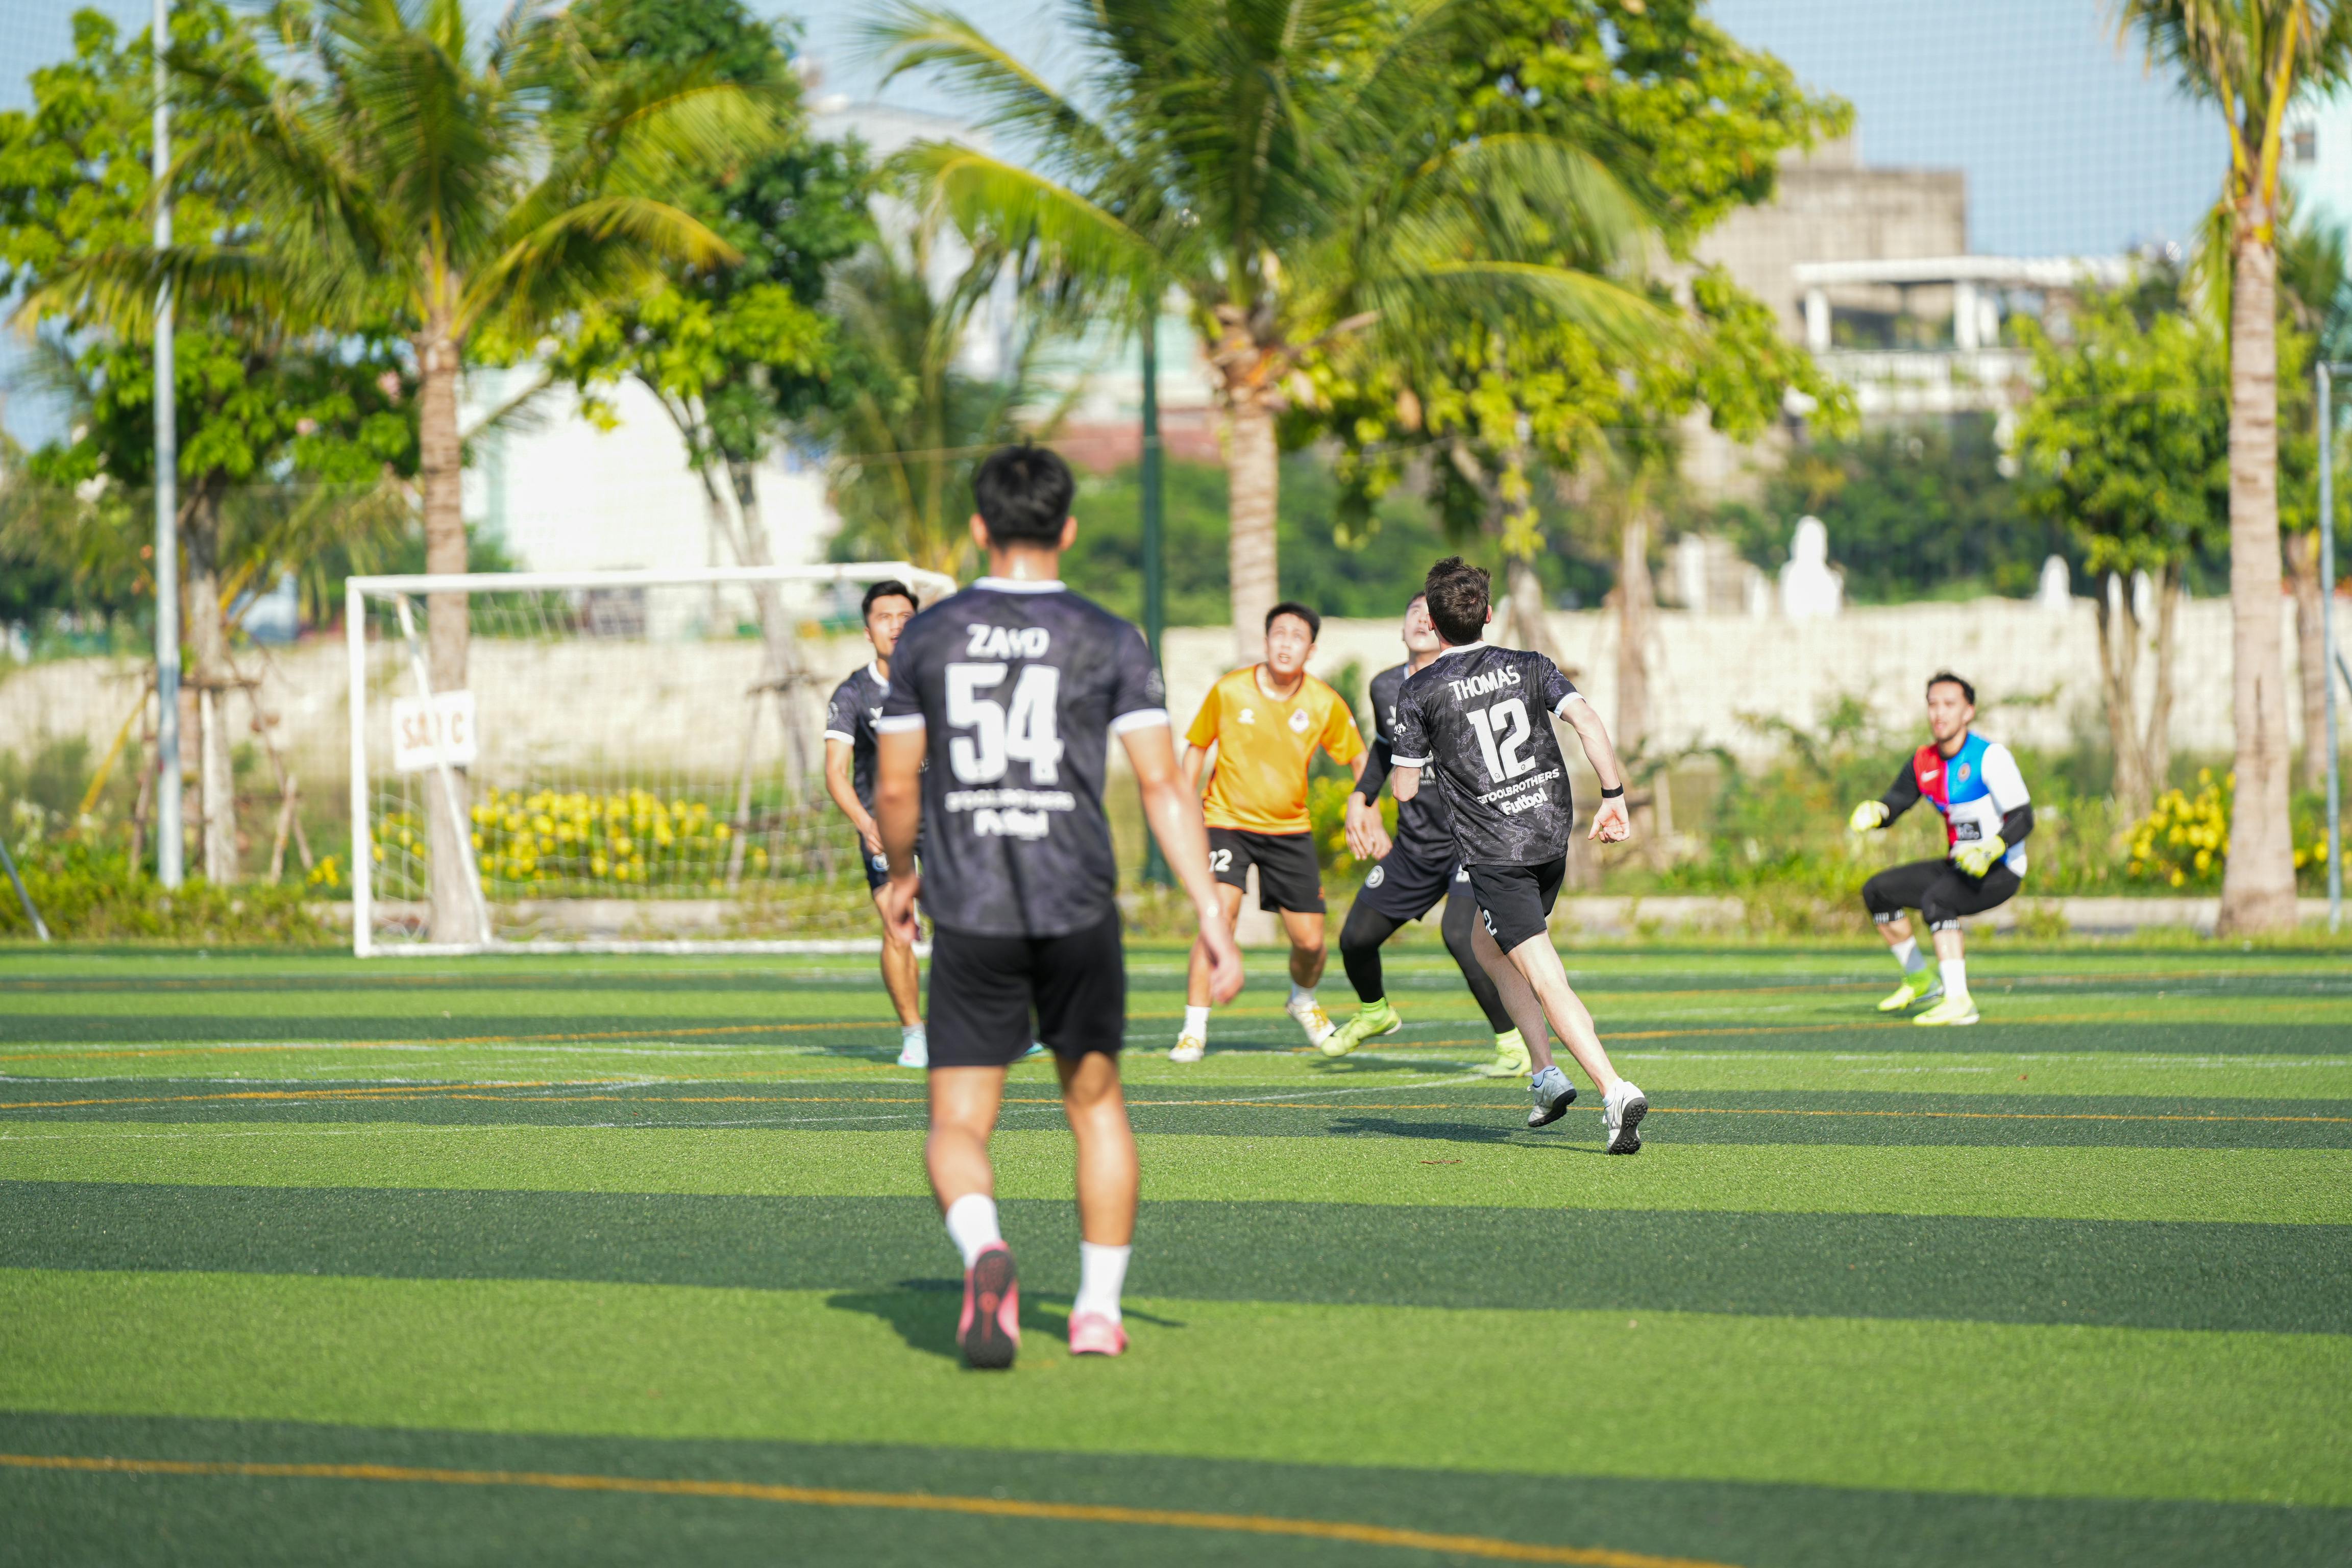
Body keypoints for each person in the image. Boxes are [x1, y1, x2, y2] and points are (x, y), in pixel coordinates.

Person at [874, 444, 1243, 1369]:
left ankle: (985, 1250)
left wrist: (900, 873)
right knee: (1096, 1104)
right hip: (1076, 901)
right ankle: (1093, 1314)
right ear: (1067, 528)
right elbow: (1161, 784)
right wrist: (1207, 905)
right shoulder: (1109, 634)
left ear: (978, 528)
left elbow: (893, 785)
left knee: (957, 1121)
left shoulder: (927, 634)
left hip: (973, 908)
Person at [1390, 557, 1650, 1154]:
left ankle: (1615, 1089)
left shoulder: (1420, 689)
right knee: (1488, 946)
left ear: (1430, 621)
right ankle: (1544, 1074)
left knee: (1545, 976)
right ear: (1488, 614)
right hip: (1550, 840)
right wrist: (1613, 797)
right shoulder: (1530, 664)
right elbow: (1585, 720)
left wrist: (1424, 747)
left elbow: (1404, 789)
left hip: (1497, 856)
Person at [1322, 592, 1527, 1073]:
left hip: (1469, 840)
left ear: (1446, 628)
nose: (1420, 618)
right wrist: (1361, 797)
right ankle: (1375, 1013)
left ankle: (1514, 1045)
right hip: (1414, 846)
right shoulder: (1384, 686)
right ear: (1401, 629)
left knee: (1460, 936)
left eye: (1429, 614)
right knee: (1354, 939)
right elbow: (1382, 748)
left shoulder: (1472, 683)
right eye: (1412, 611)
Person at [1170, 601, 1367, 1062]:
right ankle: (1193, 1029)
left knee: (1311, 942)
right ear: (1265, 641)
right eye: (1279, 634)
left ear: (1311, 649)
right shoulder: (1230, 691)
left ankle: (1302, 998)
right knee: (1220, 917)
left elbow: (1359, 758)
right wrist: (1183, 804)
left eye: (1297, 637)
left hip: (1289, 831)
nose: (1286, 644)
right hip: (1226, 822)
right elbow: (1196, 747)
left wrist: (1364, 808)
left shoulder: (1323, 701)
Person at [1848, 672, 2032, 1027]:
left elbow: (2024, 818)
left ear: (1968, 712)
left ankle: (1960, 1001)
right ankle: (1921, 981)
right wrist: (1877, 812)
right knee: (1878, 891)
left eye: (1950, 704)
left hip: (2002, 870)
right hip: (1959, 866)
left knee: (1938, 901)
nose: (1939, 713)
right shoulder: (1924, 761)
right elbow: (1897, 803)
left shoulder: (1990, 757)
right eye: (1933, 704)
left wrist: (1992, 848)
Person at [823, 580, 928, 1068]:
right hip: (886, 826)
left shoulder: (942, 681)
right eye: (885, 617)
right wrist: (866, 822)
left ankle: (998, 1026)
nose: (897, 625)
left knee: (974, 927)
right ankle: (914, 1037)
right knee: (897, 927)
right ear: (868, 631)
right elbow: (835, 773)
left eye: (906, 615)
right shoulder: (853, 693)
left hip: (947, 824)